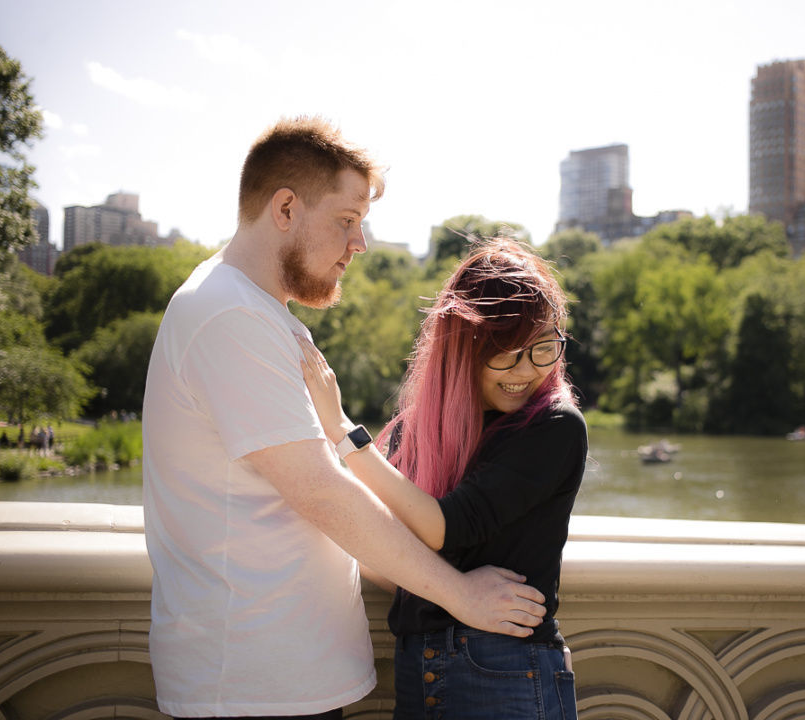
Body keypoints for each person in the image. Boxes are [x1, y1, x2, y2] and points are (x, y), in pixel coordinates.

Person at [142, 118, 546, 720]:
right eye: (347, 220)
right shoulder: (228, 314)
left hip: (278, 679)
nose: (360, 244)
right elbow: (321, 493)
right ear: (285, 208)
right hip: (251, 686)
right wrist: (459, 594)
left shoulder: (263, 316)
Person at [299, 238, 588, 719]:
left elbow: (441, 527)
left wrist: (345, 434)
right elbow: (382, 544)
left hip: (507, 669)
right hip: (420, 667)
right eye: (505, 354)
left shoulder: (554, 426)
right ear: (463, 349)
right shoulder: (420, 431)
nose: (526, 372)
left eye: (541, 349)